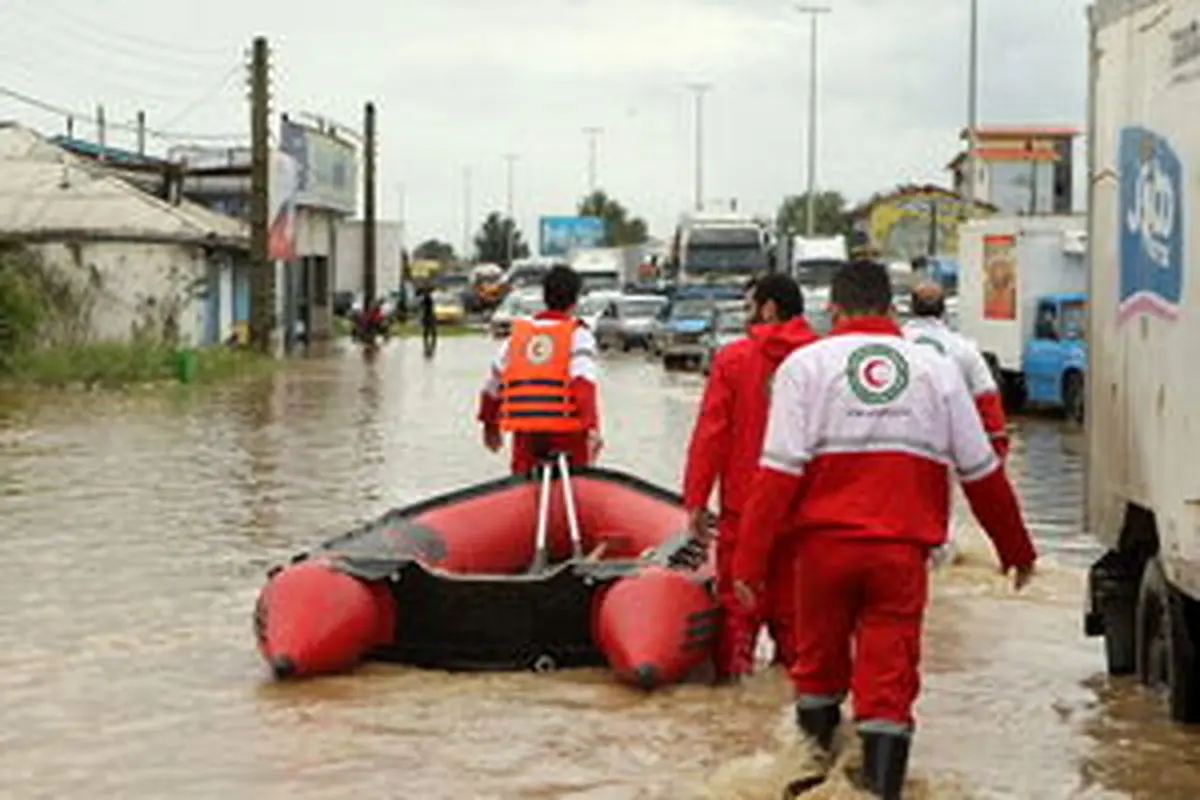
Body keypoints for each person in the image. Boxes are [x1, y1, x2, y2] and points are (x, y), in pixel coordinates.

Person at [731, 260, 1037, 798]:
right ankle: (880, 788)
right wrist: (1015, 548)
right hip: (900, 555)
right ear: (891, 307)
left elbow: (776, 476)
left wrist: (749, 563)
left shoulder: (806, 367)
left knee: (817, 665)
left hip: (821, 554)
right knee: (889, 678)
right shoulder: (936, 371)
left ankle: (810, 777)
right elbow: (981, 470)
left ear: (834, 309)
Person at [681, 274, 817, 680]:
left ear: (768, 308)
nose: (746, 316)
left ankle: (733, 714)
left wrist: (696, 501)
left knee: (737, 621)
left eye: (748, 307)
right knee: (798, 630)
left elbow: (711, 436)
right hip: (807, 515)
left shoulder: (734, 360)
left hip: (744, 512)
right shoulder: (822, 360)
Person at [903, 280, 1010, 568]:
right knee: (939, 521)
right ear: (944, 311)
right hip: (944, 448)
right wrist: (996, 454)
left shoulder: (894, 343)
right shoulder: (964, 350)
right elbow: (989, 405)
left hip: (893, 443)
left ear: (910, 308)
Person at [477, 265, 602, 475]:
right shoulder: (578, 335)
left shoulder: (518, 336)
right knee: (575, 484)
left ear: (544, 296)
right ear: (575, 300)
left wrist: (490, 426)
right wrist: (592, 428)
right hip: (567, 433)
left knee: (523, 481)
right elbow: (583, 384)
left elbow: (493, 384)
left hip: (527, 431)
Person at [419, 286, 437, 354]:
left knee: (429, 328)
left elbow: (423, 306)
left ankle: (429, 338)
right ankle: (429, 338)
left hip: (428, 315)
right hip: (428, 315)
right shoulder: (427, 298)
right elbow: (424, 306)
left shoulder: (427, 298)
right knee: (429, 328)